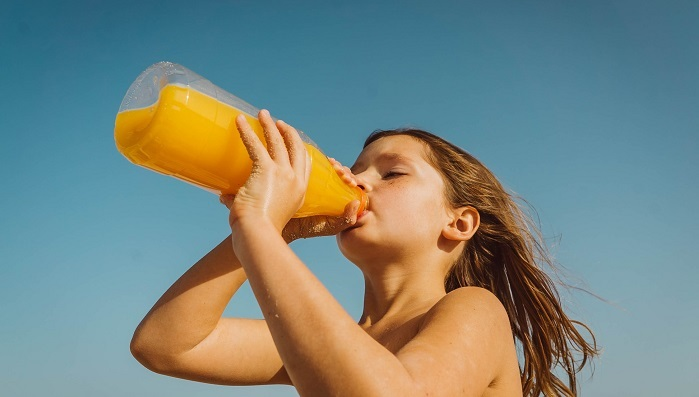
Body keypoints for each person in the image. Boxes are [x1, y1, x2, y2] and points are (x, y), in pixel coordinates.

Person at [130, 109, 598, 396]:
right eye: (354, 171)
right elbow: (166, 345)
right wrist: (278, 229)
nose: (357, 182)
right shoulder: (337, 342)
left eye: (391, 174)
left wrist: (257, 228)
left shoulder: (474, 309)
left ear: (458, 222)